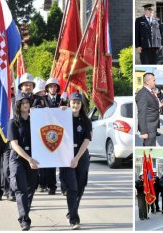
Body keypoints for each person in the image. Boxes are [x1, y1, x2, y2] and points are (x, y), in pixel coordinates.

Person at [59, 92, 92, 230]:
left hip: (81, 155)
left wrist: (77, 158)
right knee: (72, 188)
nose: (76, 105)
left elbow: (86, 141)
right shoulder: (62, 117)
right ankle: (74, 218)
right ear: (69, 103)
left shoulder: (86, 121)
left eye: (78, 103)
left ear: (81, 105)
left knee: (80, 187)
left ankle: (72, 210)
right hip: (66, 155)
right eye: (73, 102)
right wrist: (58, 111)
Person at [8, 92, 40, 231]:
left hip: (33, 159)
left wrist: (63, 109)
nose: (26, 105)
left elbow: (52, 121)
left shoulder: (35, 120)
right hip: (19, 159)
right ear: (18, 105)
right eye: (23, 103)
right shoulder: (13, 122)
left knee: (31, 188)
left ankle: (25, 212)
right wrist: (29, 159)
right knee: (21, 190)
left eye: (27, 102)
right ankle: (24, 219)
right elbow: (15, 145)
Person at [136, 73, 160, 146]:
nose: (155, 82)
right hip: (148, 127)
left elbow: (151, 106)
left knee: (151, 146)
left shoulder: (149, 92)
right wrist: (143, 132)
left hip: (152, 126)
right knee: (149, 148)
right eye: (153, 80)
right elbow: (141, 113)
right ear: (147, 82)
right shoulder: (143, 93)